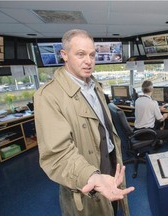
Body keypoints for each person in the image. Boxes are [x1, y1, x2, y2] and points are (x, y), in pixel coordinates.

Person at [34, 29, 134, 216]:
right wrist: (91, 176)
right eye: (80, 54)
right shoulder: (48, 96)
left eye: (92, 55)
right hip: (86, 171)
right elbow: (57, 156)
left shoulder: (94, 85)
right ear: (64, 55)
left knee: (111, 207)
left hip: (110, 161)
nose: (88, 61)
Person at [134, 80, 168, 150]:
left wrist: (158, 108)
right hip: (147, 133)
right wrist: (165, 115)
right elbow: (160, 119)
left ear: (142, 89)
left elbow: (146, 108)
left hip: (137, 132)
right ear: (152, 89)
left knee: (157, 123)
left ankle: (157, 143)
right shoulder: (153, 103)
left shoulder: (137, 100)